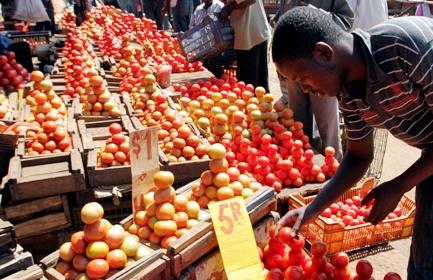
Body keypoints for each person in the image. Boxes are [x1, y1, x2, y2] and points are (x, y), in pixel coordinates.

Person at [273, 7, 433, 279]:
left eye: (303, 79)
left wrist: (398, 186)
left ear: (324, 53)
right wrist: (312, 210)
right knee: (424, 261)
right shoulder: (348, 93)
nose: (305, 90)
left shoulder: (408, 48)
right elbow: (359, 156)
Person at [274, 0, 353, 161]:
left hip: (319, 68)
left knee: (327, 125)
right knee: (298, 118)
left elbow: (346, 20)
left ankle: (334, 167)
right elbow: (280, 20)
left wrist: (312, 15)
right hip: (293, 68)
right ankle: (304, 162)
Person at [218, 0, 270, 91]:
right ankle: (262, 102)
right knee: (259, 79)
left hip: (249, 33)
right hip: (254, 30)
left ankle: (255, 102)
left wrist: (229, 7)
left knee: (249, 82)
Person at [188, 0, 236, 78]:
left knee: (213, 59)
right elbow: (191, 27)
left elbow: (227, 26)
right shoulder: (198, 9)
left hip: (222, 47)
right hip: (204, 47)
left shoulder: (220, 6)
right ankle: (211, 81)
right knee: (204, 61)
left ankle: (219, 80)